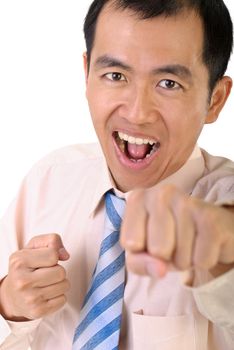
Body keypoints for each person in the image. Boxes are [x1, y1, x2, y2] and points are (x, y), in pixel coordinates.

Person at [0, 0, 234, 349]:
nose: (138, 113)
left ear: (214, 100)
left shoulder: (224, 201)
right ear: (87, 75)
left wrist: (218, 246)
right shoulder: (49, 180)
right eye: (115, 76)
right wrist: (9, 304)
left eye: (169, 83)